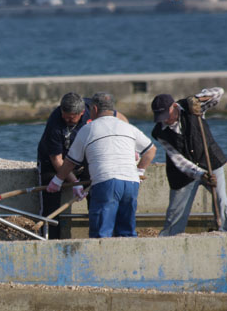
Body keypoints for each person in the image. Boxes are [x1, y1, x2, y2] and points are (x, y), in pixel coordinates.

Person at [55, 93, 156, 238]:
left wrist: (57, 180)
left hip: (106, 183)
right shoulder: (127, 127)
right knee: (126, 232)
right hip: (131, 183)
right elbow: (151, 150)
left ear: (94, 109)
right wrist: (139, 171)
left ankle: (101, 260)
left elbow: (70, 162)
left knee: (101, 234)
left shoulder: (88, 129)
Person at [36, 92, 128, 238]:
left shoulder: (92, 110)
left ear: (82, 113)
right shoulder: (55, 121)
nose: (66, 120)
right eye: (64, 116)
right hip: (54, 164)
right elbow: (57, 159)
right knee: (50, 205)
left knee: (97, 198)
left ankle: (100, 237)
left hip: (84, 160)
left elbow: (119, 118)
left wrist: (129, 145)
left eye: (71, 118)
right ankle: (51, 241)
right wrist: (75, 183)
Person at [151, 88, 227, 236]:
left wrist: (196, 99)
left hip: (211, 161)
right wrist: (201, 175)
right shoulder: (159, 132)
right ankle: (170, 238)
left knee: (221, 200)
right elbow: (179, 160)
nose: (165, 120)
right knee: (176, 211)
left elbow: (219, 93)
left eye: (166, 115)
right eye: (160, 117)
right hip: (183, 173)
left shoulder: (191, 108)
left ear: (174, 107)